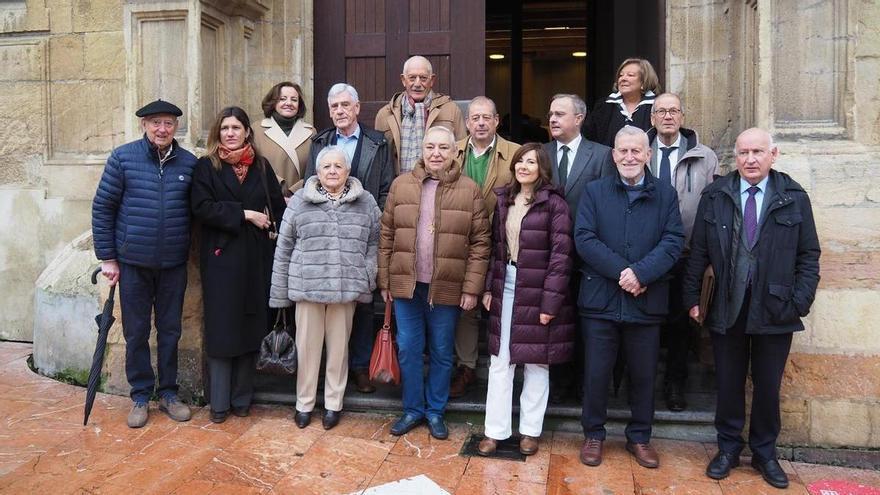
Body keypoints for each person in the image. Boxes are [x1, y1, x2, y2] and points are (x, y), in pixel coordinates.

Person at [684, 128, 820, 489]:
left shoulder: (793, 197)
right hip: (727, 306)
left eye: (758, 152)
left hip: (776, 309)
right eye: (743, 152)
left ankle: (764, 452)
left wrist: (799, 302)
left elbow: (809, 254)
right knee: (728, 383)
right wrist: (692, 299)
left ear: (773, 154)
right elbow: (697, 251)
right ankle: (727, 449)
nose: (750, 159)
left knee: (767, 386)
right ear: (736, 157)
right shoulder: (716, 195)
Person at [575, 126, 684, 469]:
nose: (629, 157)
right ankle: (593, 433)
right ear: (614, 154)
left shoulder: (666, 194)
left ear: (648, 155)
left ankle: (639, 437)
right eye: (623, 151)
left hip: (645, 300)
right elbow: (584, 238)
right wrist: (625, 272)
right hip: (601, 300)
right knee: (595, 373)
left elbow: (673, 241)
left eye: (636, 151)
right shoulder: (594, 192)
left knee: (643, 374)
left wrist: (642, 273)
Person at [378, 126, 490, 440]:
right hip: (407, 285)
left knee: (442, 351)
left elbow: (481, 242)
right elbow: (386, 235)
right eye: (430, 147)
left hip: (447, 287)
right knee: (409, 348)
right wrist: (385, 278)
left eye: (443, 147)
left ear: (455, 152)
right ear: (422, 150)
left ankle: (435, 411)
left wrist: (471, 288)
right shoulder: (401, 186)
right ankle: (413, 409)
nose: (436, 153)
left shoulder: (469, 189)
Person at [92, 99, 197, 428]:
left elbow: (200, 210)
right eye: (156, 124)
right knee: (136, 332)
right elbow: (103, 208)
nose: (162, 129)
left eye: (168, 123)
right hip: (133, 263)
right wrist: (108, 257)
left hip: (173, 265)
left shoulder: (190, 164)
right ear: (144, 126)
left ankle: (168, 393)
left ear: (176, 127)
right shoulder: (123, 158)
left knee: (170, 331)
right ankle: (140, 395)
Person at [269, 146, 381, 431]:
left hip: (346, 289)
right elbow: (284, 247)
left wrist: (367, 274)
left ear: (347, 171)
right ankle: (304, 404)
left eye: (338, 166)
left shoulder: (365, 202)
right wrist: (280, 293)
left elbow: (375, 242)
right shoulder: (299, 202)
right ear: (317, 172)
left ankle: (333, 403)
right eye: (326, 167)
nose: (332, 171)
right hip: (308, 288)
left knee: (339, 350)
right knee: (307, 350)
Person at [477, 143, 575, 457]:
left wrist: (549, 304)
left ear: (541, 168)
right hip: (505, 283)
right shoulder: (504, 199)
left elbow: (561, 258)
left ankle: (530, 432)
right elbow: (495, 249)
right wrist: (489, 288)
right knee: (499, 360)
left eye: (530, 162)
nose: (523, 166)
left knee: (536, 363)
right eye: (520, 161)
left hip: (538, 289)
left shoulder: (555, 205)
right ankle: (495, 431)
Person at [190, 106, 286, 423]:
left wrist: (269, 219)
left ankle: (242, 399)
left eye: (236, 127)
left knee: (250, 328)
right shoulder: (207, 167)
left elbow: (278, 207)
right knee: (222, 330)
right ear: (218, 133)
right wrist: (244, 214)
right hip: (221, 260)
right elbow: (201, 208)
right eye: (225, 128)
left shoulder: (261, 166)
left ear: (247, 131)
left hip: (257, 259)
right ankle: (219, 404)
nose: (230, 133)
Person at [303, 83, 394, 394]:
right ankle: (324, 370)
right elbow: (308, 185)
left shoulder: (378, 142)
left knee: (363, 301)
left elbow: (386, 188)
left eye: (345, 105)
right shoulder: (320, 142)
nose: (339, 111)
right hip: (326, 233)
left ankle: (358, 367)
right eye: (334, 107)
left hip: (361, 234)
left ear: (357, 108)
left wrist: (374, 223)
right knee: (325, 303)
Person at [646, 92, 720, 412]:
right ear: (651, 118)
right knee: (647, 321)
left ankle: (675, 383)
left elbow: (714, 205)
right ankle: (642, 384)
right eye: (661, 111)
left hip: (686, 253)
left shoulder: (705, 156)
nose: (667, 117)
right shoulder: (638, 150)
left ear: (682, 117)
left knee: (679, 324)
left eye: (673, 111)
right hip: (646, 255)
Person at [543, 93, 615, 403]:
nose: (553, 119)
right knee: (554, 322)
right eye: (550, 114)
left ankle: (587, 386)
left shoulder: (601, 156)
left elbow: (608, 206)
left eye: (560, 114)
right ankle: (558, 386)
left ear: (579, 118)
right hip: (547, 256)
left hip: (588, 259)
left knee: (588, 324)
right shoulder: (540, 154)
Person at [449, 96, 520, 399]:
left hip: (504, 243)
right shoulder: (453, 153)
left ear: (496, 121)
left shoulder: (515, 154)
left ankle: (503, 369)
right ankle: (465, 368)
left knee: (502, 306)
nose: (480, 123)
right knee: (464, 306)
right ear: (466, 122)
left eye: (486, 117)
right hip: (461, 242)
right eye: (474, 118)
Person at [375, 56, 466, 174]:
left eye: (423, 78)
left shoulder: (451, 110)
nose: (417, 84)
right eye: (412, 78)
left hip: (440, 187)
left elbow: (462, 153)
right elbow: (380, 160)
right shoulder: (385, 115)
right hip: (400, 187)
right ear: (403, 80)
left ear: (432, 80)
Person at [253, 81, 316, 197]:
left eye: (294, 100)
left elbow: (314, 169)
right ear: (273, 102)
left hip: (300, 198)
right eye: (282, 99)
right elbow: (253, 164)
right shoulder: (256, 129)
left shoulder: (311, 132)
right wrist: (278, 186)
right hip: (267, 196)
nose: (289, 103)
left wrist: (295, 192)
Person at [582, 58, 661, 147]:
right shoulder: (604, 106)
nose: (623, 79)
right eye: (621, 75)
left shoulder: (658, 106)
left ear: (644, 81)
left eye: (630, 75)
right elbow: (590, 138)